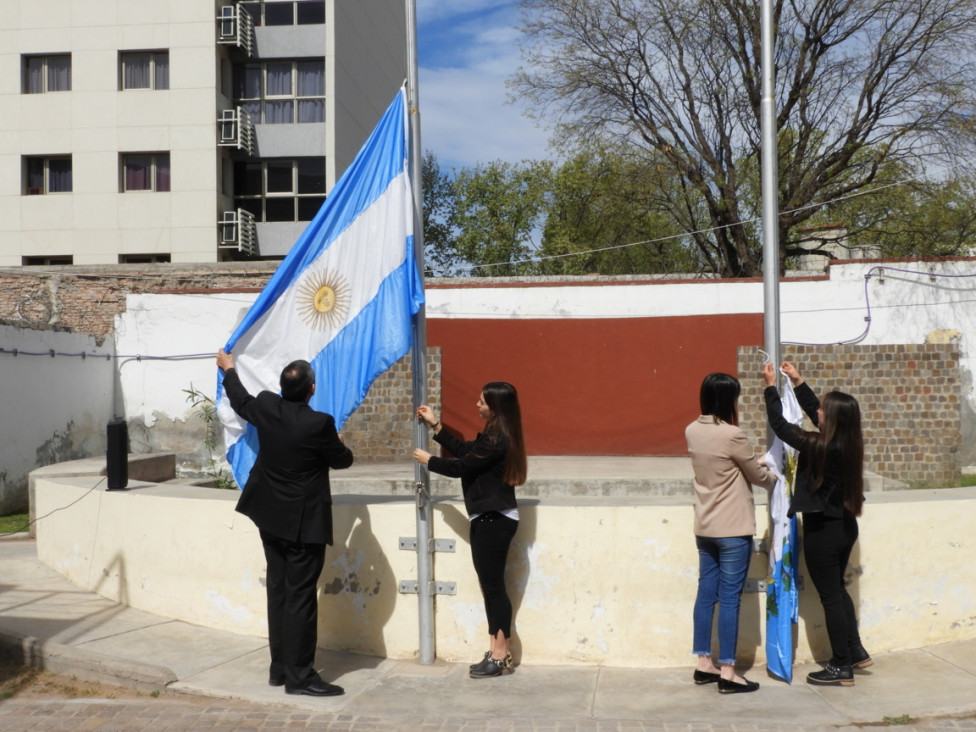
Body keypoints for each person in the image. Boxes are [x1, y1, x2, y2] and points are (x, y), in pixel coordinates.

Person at [217, 349, 353, 697]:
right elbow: (343, 461)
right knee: (301, 599)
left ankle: (279, 669)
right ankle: (300, 677)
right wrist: (337, 443)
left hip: (270, 516)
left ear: (281, 387)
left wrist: (228, 369)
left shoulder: (266, 406)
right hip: (303, 524)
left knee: (279, 592)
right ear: (311, 389)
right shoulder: (319, 423)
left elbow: (239, 399)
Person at [762, 361, 870, 687]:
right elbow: (814, 413)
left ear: (833, 419)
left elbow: (781, 426)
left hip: (824, 531)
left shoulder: (821, 447)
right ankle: (855, 650)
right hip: (846, 527)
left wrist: (770, 387)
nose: (818, 411)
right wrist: (797, 381)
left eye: (824, 410)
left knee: (831, 598)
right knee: (838, 590)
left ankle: (841, 667)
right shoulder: (848, 443)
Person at [412, 383, 527, 679]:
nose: (477, 404)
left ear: (495, 406)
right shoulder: (493, 435)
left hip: (494, 520)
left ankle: (501, 656)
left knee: (494, 588)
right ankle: (494, 650)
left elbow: (461, 466)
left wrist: (430, 461)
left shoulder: (497, 439)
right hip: (488, 518)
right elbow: (465, 451)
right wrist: (436, 425)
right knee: (490, 587)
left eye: (482, 401)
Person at [686, 373, 777, 694]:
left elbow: (727, 466)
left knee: (705, 595)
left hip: (705, 526)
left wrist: (753, 462)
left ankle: (703, 664)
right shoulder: (733, 434)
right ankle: (728, 670)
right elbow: (757, 476)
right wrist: (773, 473)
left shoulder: (692, 430)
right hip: (733, 529)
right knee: (729, 600)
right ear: (729, 400)